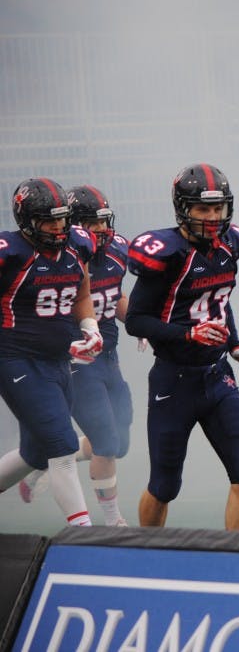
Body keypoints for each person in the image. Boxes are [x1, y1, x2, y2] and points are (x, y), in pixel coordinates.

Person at [125, 163, 239, 530]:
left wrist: (235, 345)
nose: (212, 217)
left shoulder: (231, 245)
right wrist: (187, 335)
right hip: (174, 380)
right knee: (164, 485)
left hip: (217, 376)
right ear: (183, 209)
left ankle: (236, 557)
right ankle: (148, 553)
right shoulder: (169, 253)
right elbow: (136, 321)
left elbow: (219, 301)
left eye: (218, 208)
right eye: (203, 209)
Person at [18, 185, 136, 527]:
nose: (100, 229)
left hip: (109, 355)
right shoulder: (63, 258)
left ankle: (47, 462)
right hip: (77, 361)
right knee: (107, 443)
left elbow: (115, 296)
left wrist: (141, 324)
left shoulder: (118, 250)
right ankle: (113, 521)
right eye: (91, 222)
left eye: (103, 221)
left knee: (120, 442)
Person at [0, 178, 104, 526]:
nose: (58, 227)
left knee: (35, 453)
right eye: (49, 221)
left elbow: (82, 294)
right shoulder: (10, 253)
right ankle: (84, 534)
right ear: (26, 221)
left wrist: (90, 328)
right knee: (62, 446)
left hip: (58, 360)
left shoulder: (78, 245)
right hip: (16, 359)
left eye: (62, 218)